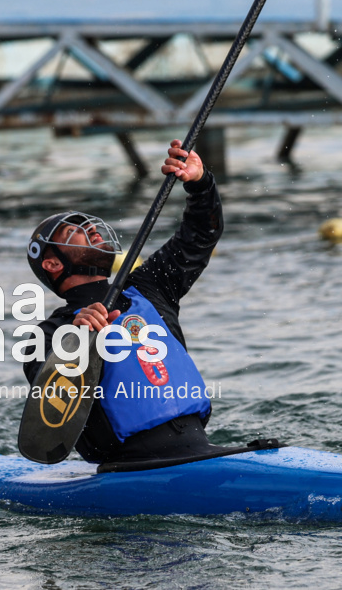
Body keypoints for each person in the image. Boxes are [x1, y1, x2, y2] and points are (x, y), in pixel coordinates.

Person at [22, 139, 222, 464]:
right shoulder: (47, 334)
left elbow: (201, 233)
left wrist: (200, 184)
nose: (91, 229)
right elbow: (49, 395)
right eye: (75, 231)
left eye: (88, 225)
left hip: (199, 448)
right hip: (128, 465)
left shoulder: (150, 286)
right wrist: (74, 341)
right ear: (53, 264)